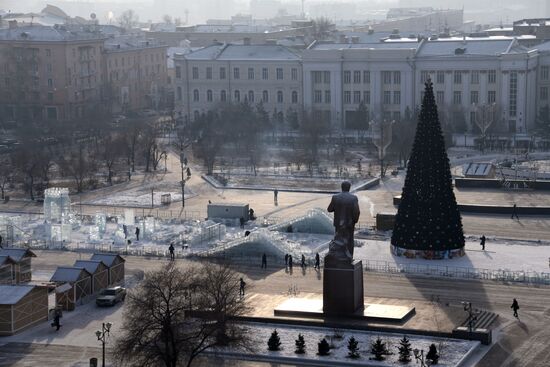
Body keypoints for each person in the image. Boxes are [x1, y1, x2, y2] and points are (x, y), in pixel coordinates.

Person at [327, 181, 360, 262]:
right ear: (349, 188)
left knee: (338, 240)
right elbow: (357, 212)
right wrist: (354, 221)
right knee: (349, 241)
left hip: (338, 224)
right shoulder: (353, 198)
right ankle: (349, 258)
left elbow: (329, 209)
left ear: (341, 187)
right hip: (349, 224)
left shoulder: (335, 197)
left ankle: (338, 257)